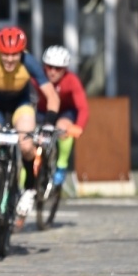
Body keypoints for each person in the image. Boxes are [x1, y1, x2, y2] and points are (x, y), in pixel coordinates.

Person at [0, 26, 59, 226]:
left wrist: (49, 124)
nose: (9, 59)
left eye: (14, 55)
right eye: (5, 54)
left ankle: (29, 189)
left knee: (26, 145)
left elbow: (51, 96)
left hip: (20, 103)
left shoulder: (29, 62)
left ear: (22, 52)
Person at [36, 45, 88, 185]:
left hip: (65, 112)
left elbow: (82, 107)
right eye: (49, 67)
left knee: (63, 127)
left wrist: (79, 127)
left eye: (58, 69)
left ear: (65, 69)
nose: (52, 72)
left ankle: (61, 165)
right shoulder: (37, 78)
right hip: (43, 111)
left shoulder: (72, 80)